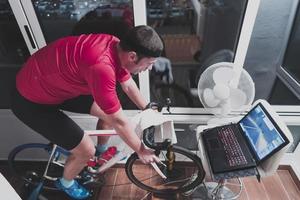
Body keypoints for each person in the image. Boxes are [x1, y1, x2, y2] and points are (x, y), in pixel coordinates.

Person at [11, 25, 163, 199]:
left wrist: (147, 109)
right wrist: (141, 150)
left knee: (108, 114)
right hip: (31, 100)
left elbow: (128, 85)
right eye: (150, 63)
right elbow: (120, 122)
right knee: (85, 150)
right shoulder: (101, 66)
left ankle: (99, 156)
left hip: (54, 84)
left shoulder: (116, 45)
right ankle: (66, 182)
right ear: (133, 56)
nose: (150, 68)